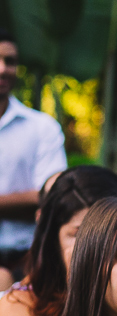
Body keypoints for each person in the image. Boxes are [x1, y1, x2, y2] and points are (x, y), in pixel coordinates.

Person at [0, 166, 117, 316]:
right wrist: (81, 294)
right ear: (53, 239)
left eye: (108, 233)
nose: (93, 246)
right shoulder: (17, 308)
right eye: (79, 234)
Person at [0, 28, 68, 275]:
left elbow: (52, 195)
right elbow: (37, 195)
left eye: (10, 61)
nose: (2, 69)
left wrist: (39, 198)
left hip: (29, 260)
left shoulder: (42, 127)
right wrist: (24, 199)